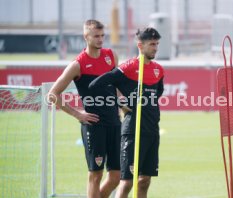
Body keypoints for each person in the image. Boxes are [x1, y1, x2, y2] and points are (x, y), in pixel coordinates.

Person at [48, 19, 121, 198]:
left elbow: (117, 86)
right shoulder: (77, 65)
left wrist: (124, 104)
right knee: (96, 175)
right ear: (85, 37)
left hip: (115, 123)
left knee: (116, 177)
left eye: (103, 36)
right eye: (96, 36)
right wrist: (77, 114)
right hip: (94, 126)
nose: (100, 39)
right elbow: (52, 94)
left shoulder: (111, 56)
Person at [89, 27, 164, 198]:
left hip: (152, 131)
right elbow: (96, 85)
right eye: (152, 44)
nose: (155, 48)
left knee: (144, 181)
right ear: (140, 45)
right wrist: (118, 102)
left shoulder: (159, 70)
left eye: (157, 44)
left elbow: (158, 93)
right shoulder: (128, 68)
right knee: (127, 182)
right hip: (132, 132)